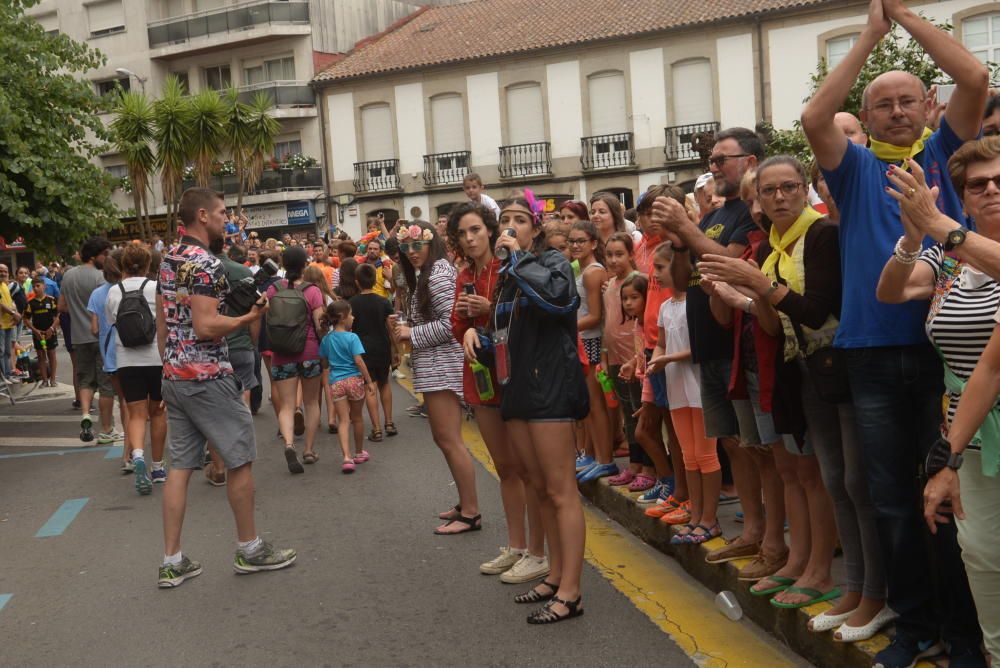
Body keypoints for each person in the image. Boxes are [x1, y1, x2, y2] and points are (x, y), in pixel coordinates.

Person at [801, 0, 988, 663]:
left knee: (948, 501)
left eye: (910, 100)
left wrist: (906, 18)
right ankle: (913, 627)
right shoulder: (852, 170)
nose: (898, 111)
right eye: (885, 104)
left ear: (929, 109)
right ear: (872, 117)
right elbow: (815, 118)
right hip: (871, 359)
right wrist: (870, 34)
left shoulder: (946, 153)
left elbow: (975, 80)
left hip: (943, 354)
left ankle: (962, 634)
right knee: (891, 503)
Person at [703, 158, 882, 628]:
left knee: (851, 484)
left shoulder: (822, 236)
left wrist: (762, 287)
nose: (780, 197)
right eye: (770, 191)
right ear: (757, 200)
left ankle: (864, 590)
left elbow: (820, 312)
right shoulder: (773, 250)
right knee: (835, 480)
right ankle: (851, 587)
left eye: (789, 187)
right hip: (802, 373)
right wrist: (751, 295)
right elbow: (773, 326)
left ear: (805, 190)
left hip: (839, 372)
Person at [877, 136, 1000, 662]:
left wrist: (941, 227)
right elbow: (889, 292)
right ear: (964, 198)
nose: (992, 190)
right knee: (983, 556)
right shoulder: (947, 259)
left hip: (972, 424)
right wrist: (912, 239)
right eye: (979, 185)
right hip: (966, 430)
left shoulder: (952, 238)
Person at [156, 187, 295, 588]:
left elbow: (165, 323)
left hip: (176, 376)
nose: (226, 221)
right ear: (202, 215)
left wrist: (167, 367)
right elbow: (206, 325)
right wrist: (247, 317)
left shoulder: (169, 259)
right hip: (209, 377)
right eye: (220, 213)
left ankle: (172, 560)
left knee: (181, 467)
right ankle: (250, 549)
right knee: (239, 459)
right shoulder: (204, 263)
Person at [653, 129, 768, 570]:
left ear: (751, 160)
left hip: (732, 344)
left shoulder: (743, 216)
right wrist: (680, 240)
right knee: (734, 445)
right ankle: (752, 529)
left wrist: (687, 229)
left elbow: (728, 264)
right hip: (707, 345)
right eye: (712, 160)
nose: (714, 167)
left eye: (723, 159)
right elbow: (687, 276)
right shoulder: (713, 217)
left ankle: (762, 532)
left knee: (754, 447)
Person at [491, 192, 588, 623]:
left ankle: (571, 592)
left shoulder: (549, 264)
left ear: (534, 229)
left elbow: (560, 302)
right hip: (517, 391)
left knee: (561, 490)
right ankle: (555, 575)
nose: (509, 227)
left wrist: (519, 261)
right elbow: (510, 335)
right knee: (538, 486)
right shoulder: (507, 275)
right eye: (504, 221)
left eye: (518, 220)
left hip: (549, 387)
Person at [450, 201, 548, 583]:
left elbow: (530, 317)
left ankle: (539, 553)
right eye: (462, 233)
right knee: (505, 468)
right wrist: (468, 329)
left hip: (516, 374)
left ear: (490, 231)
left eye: (475, 230)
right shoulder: (465, 275)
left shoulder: (512, 268)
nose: (470, 238)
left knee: (529, 470)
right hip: (481, 378)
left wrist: (488, 310)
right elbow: (458, 324)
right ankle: (517, 546)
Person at [393, 220, 480, 534]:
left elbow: (450, 324)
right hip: (435, 366)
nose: (412, 252)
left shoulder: (439, 275)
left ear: (432, 243)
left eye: (418, 244)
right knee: (444, 439)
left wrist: (410, 332)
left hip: (443, 367)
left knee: (449, 440)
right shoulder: (430, 273)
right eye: (406, 247)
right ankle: (464, 503)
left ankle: (470, 512)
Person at [649, 245, 720, 544]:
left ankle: (709, 519)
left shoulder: (697, 301)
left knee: (706, 454)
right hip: (677, 386)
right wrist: (654, 359)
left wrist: (666, 359)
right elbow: (662, 343)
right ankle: (695, 515)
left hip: (698, 385)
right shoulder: (665, 308)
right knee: (689, 456)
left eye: (662, 267)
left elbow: (700, 349)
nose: (656, 274)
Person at [106, 244, 166, 496]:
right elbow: (165, 324)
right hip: (157, 358)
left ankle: (138, 453)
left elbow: (112, 323)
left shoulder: (113, 291)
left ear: (122, 265)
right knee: (159, 412)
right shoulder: (156, 288)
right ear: (149, 265)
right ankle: (158, 466)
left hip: (127, 361)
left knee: (137, 413)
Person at [603, 234, 656, 491]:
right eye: (609, 255)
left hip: (636, 359)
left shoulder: (640, 281)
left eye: (619, 254)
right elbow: (608, 323)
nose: (613, 260)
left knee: (641, 416)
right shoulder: (610, 285)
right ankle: (635, 465)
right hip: (617, 359)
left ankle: (649, 467)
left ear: (631, 255)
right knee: (628, 413)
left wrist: (636, 361)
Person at [266, 246, 326, 472]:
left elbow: (265, 316)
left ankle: (289, 443)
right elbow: (320, 325)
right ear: (304, 265)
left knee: (287, 405)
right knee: (310, 403)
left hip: (282, 353)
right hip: (309, 352)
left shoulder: (273, 289)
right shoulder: (313, 291)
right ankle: (309, 450)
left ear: (283, 264)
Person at [569, 220, 616, 483]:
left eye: (581, 241)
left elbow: (595, 316)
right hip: (583, 340)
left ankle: (605, 460)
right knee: (588, 406)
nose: (575, 246)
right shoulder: (581, 269)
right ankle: (595, 456)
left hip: (592, 341)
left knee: (596, 405)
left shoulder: (592, 272)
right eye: (572, 241)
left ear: (594, 243)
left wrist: (564, 326)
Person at [60, 237, 114, 443]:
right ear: (94, 256)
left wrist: (77, 311)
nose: (106, 258)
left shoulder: (67, 275)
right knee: (106, 384)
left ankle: (85, 413)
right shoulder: (101, 278)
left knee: (84, 379)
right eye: (104, 254)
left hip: (79, 336)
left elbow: (62, 306)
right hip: (100, 336)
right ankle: (107, 428)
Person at [319, 300, 376, 473]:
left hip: (336, 382)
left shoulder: (326, 339)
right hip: (354, 381)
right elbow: (358, 360)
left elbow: (324, 362)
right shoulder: (353, 337)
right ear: (343, 318)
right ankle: (359, 452)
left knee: (343, 420)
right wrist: (369, 380)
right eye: (351, 314)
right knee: (357, 418)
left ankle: (346, 457)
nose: (353, 317)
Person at [350, 263, 397, 440]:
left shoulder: (352, 304)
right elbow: (390, 327)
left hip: (362, 350)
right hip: (382, 346)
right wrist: (395, 349)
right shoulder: (384, 302)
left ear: (357, 282)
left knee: (370, 386)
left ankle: (376, 428)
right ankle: (389, 422)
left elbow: (350, 329)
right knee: (384, 383)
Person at [23, 276, 59, 386]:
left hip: (50, 332)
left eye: (38, 286)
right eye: (33, 287)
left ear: (44, 286)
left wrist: (52, 328)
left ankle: (52, 379)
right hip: (38, 333)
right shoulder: (30, 303)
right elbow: (26, 319)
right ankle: (44, 380)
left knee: (51, 354)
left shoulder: (51, 300)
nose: (35, 288)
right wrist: (34, 330)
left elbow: (58, 316)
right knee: (41, 356)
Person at [0, 265, 20, 383]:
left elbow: (9, 302)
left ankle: (7, 375)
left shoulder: (5, 285)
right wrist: (14, 313)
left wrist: (15, 312)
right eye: (0, 271)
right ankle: (3, 378)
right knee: (1, 352)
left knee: (7, 351)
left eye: (5, 271)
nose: (3, 273)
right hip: (1, 324)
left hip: (9, 323)